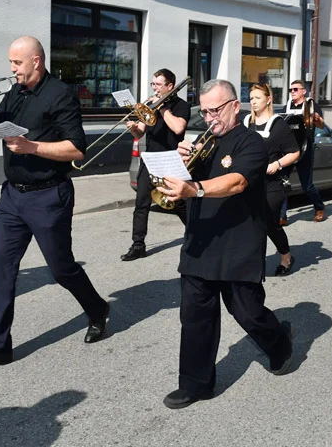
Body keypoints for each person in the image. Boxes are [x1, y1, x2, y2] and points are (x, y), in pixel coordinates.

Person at [0, 36, 110, 376]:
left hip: (48, 196)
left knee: (61, 270)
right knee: (0, 271)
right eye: (10, 63)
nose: (11, 69)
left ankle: (98, 308)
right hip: (12, 196)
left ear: (36, 62)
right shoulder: (16, 93)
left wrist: (32, 147)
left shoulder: (60, 95)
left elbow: (76, 150)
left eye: (16, 63)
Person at [155, 79, 295, 409]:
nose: (208, 117)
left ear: (235, 105)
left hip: (238, 244)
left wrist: (195, 189)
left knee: (248, 313)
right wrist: (178, 165)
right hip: (201, 243)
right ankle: (195, 384)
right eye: (203, 111)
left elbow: (237, 182)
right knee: (194, 317)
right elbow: (182, 188)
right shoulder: (202, 145)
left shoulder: (251, 143)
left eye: (215, 109)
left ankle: (279, 344)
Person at [121, 69, 190, 261]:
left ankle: (195, 233)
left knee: (178, 203)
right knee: (141, 203)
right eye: (153, 84)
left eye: (158, 85)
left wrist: (161, 109)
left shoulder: (181, 106)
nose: (155, 88)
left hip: (169, 160)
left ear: (170, 86)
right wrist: (133, 128)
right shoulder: (149, 105)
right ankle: (138, 245)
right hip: (149, 160)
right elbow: (140, 133)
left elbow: (178, 127)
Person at [243, 84, 301, 276]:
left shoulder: (278, 124)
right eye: (251, 98)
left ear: (268, 99)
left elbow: (294, 152)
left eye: (257, 97)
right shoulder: (246, 122)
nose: (253, 101)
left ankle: (286, 256)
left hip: (271, 185)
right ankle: (252, 265)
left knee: (269, 225)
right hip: (248, 185)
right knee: (249, 225)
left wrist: (277, 164)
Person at [280, 79, 326, 224]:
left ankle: (319, 207)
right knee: (282, 182)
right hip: (288, 149)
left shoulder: (312, 105)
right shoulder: (287, 106)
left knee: (307, 185)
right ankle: (282, 216)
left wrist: (317, 119)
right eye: (291, 90)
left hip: (305, 148)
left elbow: (321, 125)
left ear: (303, 91)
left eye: (295, 89)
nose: (292, 92)